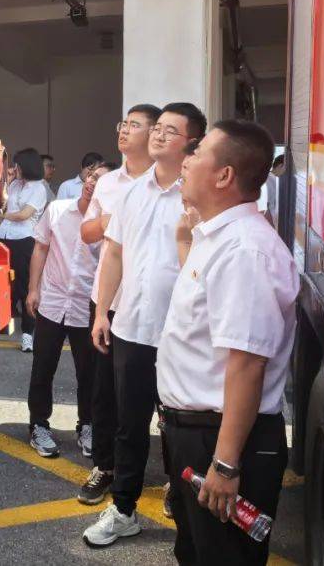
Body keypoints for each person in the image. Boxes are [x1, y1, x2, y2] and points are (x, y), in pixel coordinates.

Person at [158, 119, 298, 566]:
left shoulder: (244, 251)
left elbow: (246, 365)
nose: (186, 159)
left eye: (197, 153)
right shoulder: (215, 236)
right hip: (195, 435)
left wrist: (224, 465)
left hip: (220, 440)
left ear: (224, 176)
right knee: (197, 554)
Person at [83, 102, 207, 548]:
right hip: (131, 327)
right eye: (157, 128)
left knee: (180, 423)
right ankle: (123, 510)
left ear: (191, 143)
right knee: (128, 423)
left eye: (170, 131)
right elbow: (113, 253)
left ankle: (183, 497)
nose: (157, 135)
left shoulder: (199, 194)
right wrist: (103, 313)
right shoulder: (131, 192)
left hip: (182, 333)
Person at [76, 103, 160, 506]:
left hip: (156, 307)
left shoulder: (173, 182)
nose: (124, 130)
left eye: (135, 125)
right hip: (111, 302)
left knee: (162, 396)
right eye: (122, 123)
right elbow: (88, 233)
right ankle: (106, 467)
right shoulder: (109, 182)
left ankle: (175, 480)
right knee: (105, 393)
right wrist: (115, 221)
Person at [24, 162, 114, 459]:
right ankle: (38, 425)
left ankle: (86, 425)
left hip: (85, 307)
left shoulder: (110, 223)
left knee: (88, 373)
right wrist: (33, 289)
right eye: (91, 176)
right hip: (52, 301)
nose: (91, 182)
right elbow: (41, 249)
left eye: (100, 180)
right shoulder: (57, 210)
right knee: (43, 367)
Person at [0, 148, 49, 352]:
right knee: (3, 285)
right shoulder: (15, 184)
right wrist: (6, 180)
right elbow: (2, 200)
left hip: (24, 239)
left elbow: (23, 215)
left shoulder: (39, 188)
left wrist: (2, 215)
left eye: (17, 165)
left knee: (25, 286)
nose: (14, 168)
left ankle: (27, 333)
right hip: (4, 236)